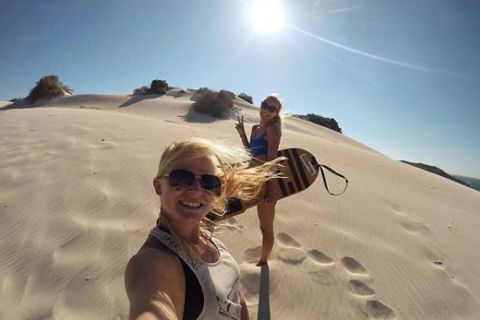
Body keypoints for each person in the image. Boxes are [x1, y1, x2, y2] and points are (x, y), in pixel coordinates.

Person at [125, 138, 281, 320]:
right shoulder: (152, 263)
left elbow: (236, 298)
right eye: (182, 179)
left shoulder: (211, 241)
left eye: (209, 183)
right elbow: (151, 307)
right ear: (159, 186)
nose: (197, 190)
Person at [235, 94, 283, 266]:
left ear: (276, 113)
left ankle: (264, 261)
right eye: (265, 105)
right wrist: (242, 134)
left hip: (266, 184)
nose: (266, 110)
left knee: (265, 226)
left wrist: (272, 189)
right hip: (252, 179)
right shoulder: (255, 129)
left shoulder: (273, 131)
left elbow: (272, 160)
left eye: (272, 108)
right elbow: (250, 153)